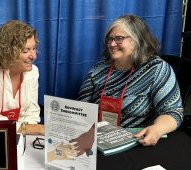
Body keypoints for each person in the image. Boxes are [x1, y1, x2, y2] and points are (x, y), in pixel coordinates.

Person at [77, 15, 183, 146]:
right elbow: (81, 108)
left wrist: (157, 129)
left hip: (136, 142)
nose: (112, 44)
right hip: (98, 141)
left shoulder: (156, 69)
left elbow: (173, 112)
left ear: (137, 40)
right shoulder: (98, 69)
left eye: (119, 39)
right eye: (109, 39)